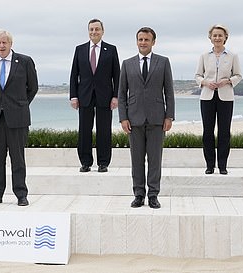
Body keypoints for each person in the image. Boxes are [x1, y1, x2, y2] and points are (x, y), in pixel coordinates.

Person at [0, 29, 38, 206]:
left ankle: (21, 194)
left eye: (5, 42)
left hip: (18, 117)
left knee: (17, 158)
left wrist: (21, 104)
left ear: (11, 44)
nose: (2, 45)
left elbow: (32, 87)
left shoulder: (24, 61)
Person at [117, 27, 175, 209]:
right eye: (140, 39)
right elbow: (121, 94)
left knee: (155, 159)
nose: (143, 42)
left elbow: (169, 92)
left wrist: (169, 116)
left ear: (153, 42)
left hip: (157, 118)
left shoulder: (163, 62)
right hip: (134, 119)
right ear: (137, 41)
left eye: (146, 40)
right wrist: (123, 118)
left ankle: (153, 195)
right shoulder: (127, 64)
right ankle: (138, 194)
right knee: (136, 159)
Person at [69, 19, 120, 173]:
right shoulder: (80, 49)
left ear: (102, 31)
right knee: (84, 130)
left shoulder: (111, 50)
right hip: (84, 95)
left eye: (97, 29)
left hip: (105, 96)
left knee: (104, 130)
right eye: (91, 29)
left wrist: (116, 96)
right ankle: (85, 162)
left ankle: (103, 163)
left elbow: (117, 75)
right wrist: (73, 96)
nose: (94, 32)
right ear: (88, 31)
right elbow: (74, 75)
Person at [194, 24, 242, 175]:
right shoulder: (204, 56)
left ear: (225, 37)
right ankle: (209, 165)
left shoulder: (232, 56)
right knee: (207, 132)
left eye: (220, 35)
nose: (217, 38)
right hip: (207, 96)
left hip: (226, 97)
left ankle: (222, 165)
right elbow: (197, 75)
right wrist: (205, 82)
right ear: (210, 37)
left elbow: (238, 75)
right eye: (214, 35)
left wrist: (227, 81)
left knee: (224, 132)